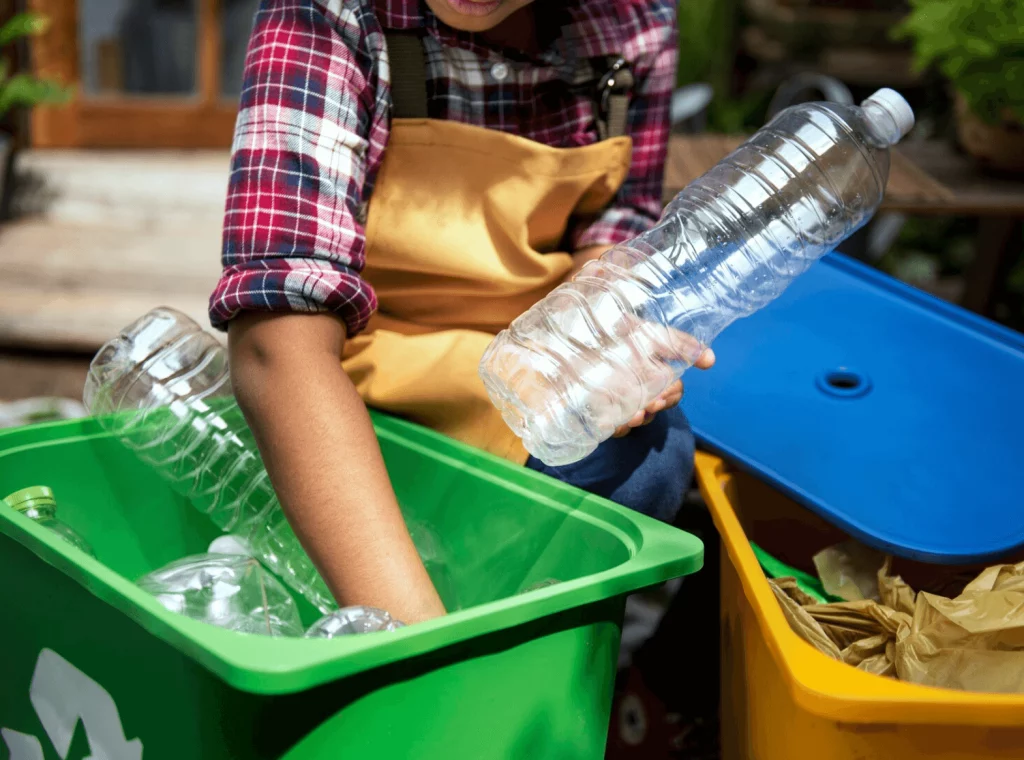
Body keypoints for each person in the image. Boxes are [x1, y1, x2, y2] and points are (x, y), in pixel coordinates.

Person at [211, 0, 713, 625]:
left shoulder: (633, 22)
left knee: (651, 459)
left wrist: (605, 334)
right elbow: (275, 347)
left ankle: (507, 630)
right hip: (355, 372)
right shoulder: (328, 14)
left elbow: (613, 223)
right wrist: (414, 646)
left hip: (521, 369)